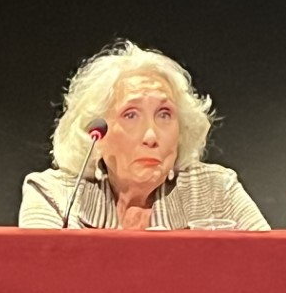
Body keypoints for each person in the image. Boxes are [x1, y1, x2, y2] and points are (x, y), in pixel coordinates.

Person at [20, 41, 266, 229]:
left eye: (164, 115)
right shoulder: (54, 195)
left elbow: (276, 273)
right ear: (97, 132)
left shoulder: (215, 191)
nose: (151, 136)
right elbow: (37, 287)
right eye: (130, 115)